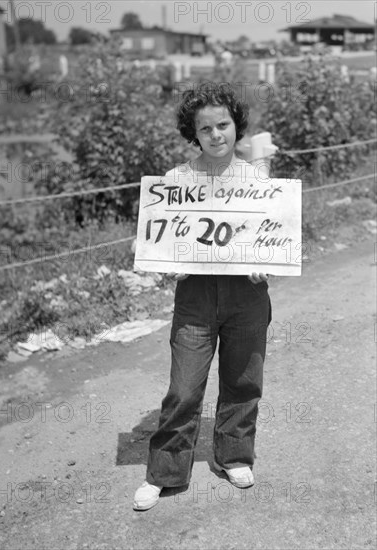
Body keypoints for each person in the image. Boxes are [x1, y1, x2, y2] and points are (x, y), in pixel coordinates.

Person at [133, 82, 271, 511]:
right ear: (193, 133)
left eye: (223, 125)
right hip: (194, 294)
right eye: (205, 128)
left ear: (237, 126)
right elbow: (161, 242)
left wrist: (264, 260)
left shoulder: (257, 179)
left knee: (243, 380)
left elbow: (272, 236)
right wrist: (167, 262)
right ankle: (164, 472)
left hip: (246, 293)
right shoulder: (177, 181)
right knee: (184, 388)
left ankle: (233, 456)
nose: (216, 135)